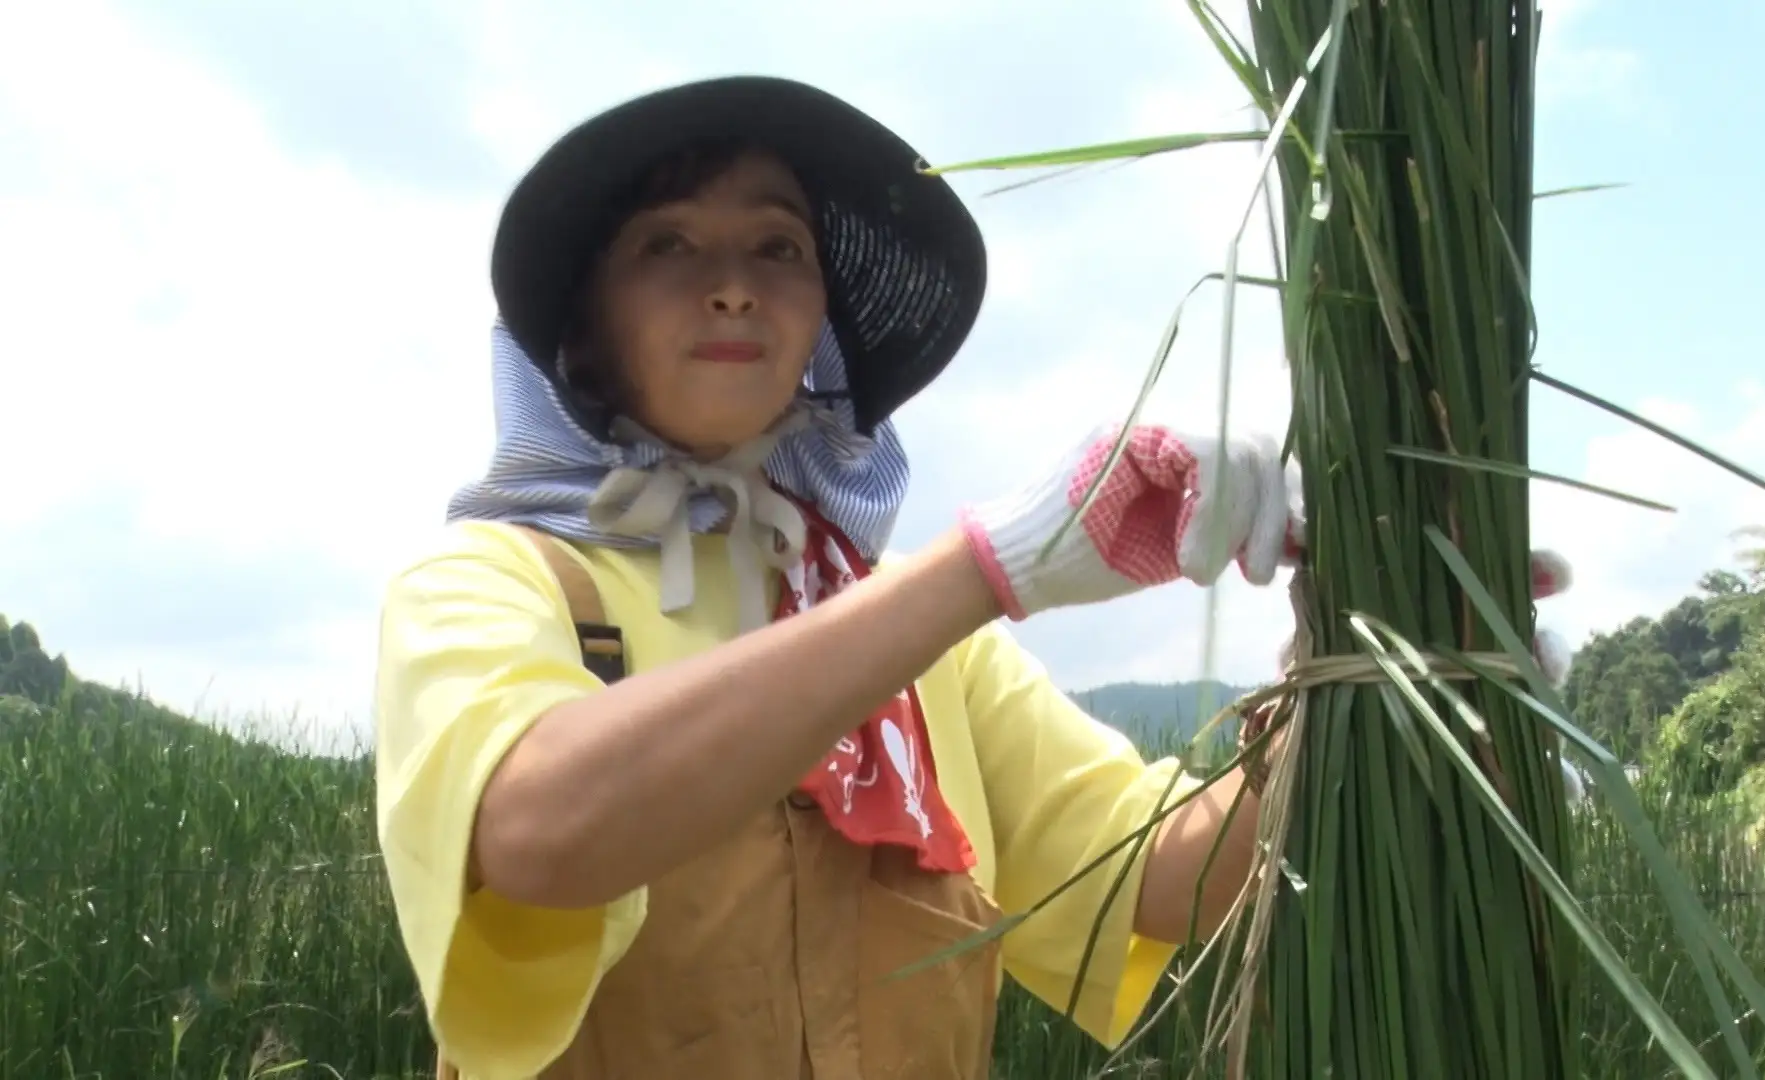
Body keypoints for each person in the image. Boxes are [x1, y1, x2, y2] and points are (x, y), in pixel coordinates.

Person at [373, 75, 1575, 1080]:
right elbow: (536, 833)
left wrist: (1369, 668)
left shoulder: (930, 659)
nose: (731, 280)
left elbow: (1163, 877)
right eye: (667, 243)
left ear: (818, 330)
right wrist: (983, 570)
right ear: (583, 333)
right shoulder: (498, 584)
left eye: (777, 244)